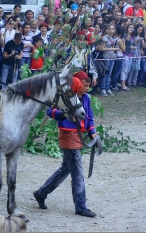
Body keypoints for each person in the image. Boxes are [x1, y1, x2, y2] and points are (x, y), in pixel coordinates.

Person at [33, 71, 98, 218]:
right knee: (78, 172)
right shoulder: (67, 97)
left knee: (66, 169)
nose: (88, 88)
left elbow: (90, 117)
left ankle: (41, 193)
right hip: (68, 136)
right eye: (85, 85)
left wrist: (92, 131)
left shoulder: (86, 98)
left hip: (79, 136)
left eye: (88, 85)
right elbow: (50, 111)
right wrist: (63, 114)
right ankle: (81, 207)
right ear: (78, 85)